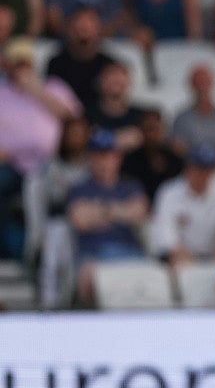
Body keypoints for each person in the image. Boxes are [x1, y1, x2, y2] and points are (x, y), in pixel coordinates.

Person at [0, 38, 80, 253]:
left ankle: (48, 251)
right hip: (12, 163)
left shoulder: (53, 87)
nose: (21, 68)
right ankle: (12, 251)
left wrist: (35, 90)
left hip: (53, 163)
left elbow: (74, 121)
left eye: (25, 63)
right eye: (16, 63)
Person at [66, 129, 148, 306]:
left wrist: (100, 211)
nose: (104, 161)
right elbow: (80, 220)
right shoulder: (79, 189)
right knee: (89, 278)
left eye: (109, 155)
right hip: (93, 254)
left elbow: (139, 213)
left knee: (152, 279)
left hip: (129, 251)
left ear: (118, 158)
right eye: (99, 155)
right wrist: (119, 211)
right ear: (91, 158)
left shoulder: (130, 186)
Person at [149, 146, 215, 267]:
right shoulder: (170, 192)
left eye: (208, 170)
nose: (203, 175)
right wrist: (176, 250)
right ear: (188, 170)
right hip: (180, 258)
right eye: (199, 169)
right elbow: (164, 231)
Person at [44, 8, 116, 113]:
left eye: (88, 30)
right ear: (69, 31)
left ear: (99, 32)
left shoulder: (109, 65)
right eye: (80, 29)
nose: (83, 35)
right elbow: (53, 97)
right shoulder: (56, 63)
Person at [169, 65, 215, 168]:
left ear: (212, 83)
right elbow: (177, 150)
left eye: (205, 82)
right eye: (198, 82)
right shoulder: (181, 119)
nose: (202, 87)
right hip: (192, 172)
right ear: (191, 85)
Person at [121, 108, 183, 202]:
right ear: (141, 131)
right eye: (149, 128)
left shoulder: (175, 158)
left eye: (157, 128)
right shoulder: (130, 160)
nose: (154, 133)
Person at [86, 62, 144, 151]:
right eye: (111, 76)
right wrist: (117, 139)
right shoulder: (86, 115)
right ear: (100, 81)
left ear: (129, 83)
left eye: (121, 77)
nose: (117, 80)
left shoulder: (142, 116)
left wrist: (101, 137)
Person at [44, 116, 92, 215]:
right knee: (34, 184)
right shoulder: (55, 163)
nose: (76, 138)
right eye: (72, 134)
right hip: (62, 213)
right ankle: (36, 230)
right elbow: (57, 196)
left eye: (79, 134)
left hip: (90, 212)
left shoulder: (94, 161)